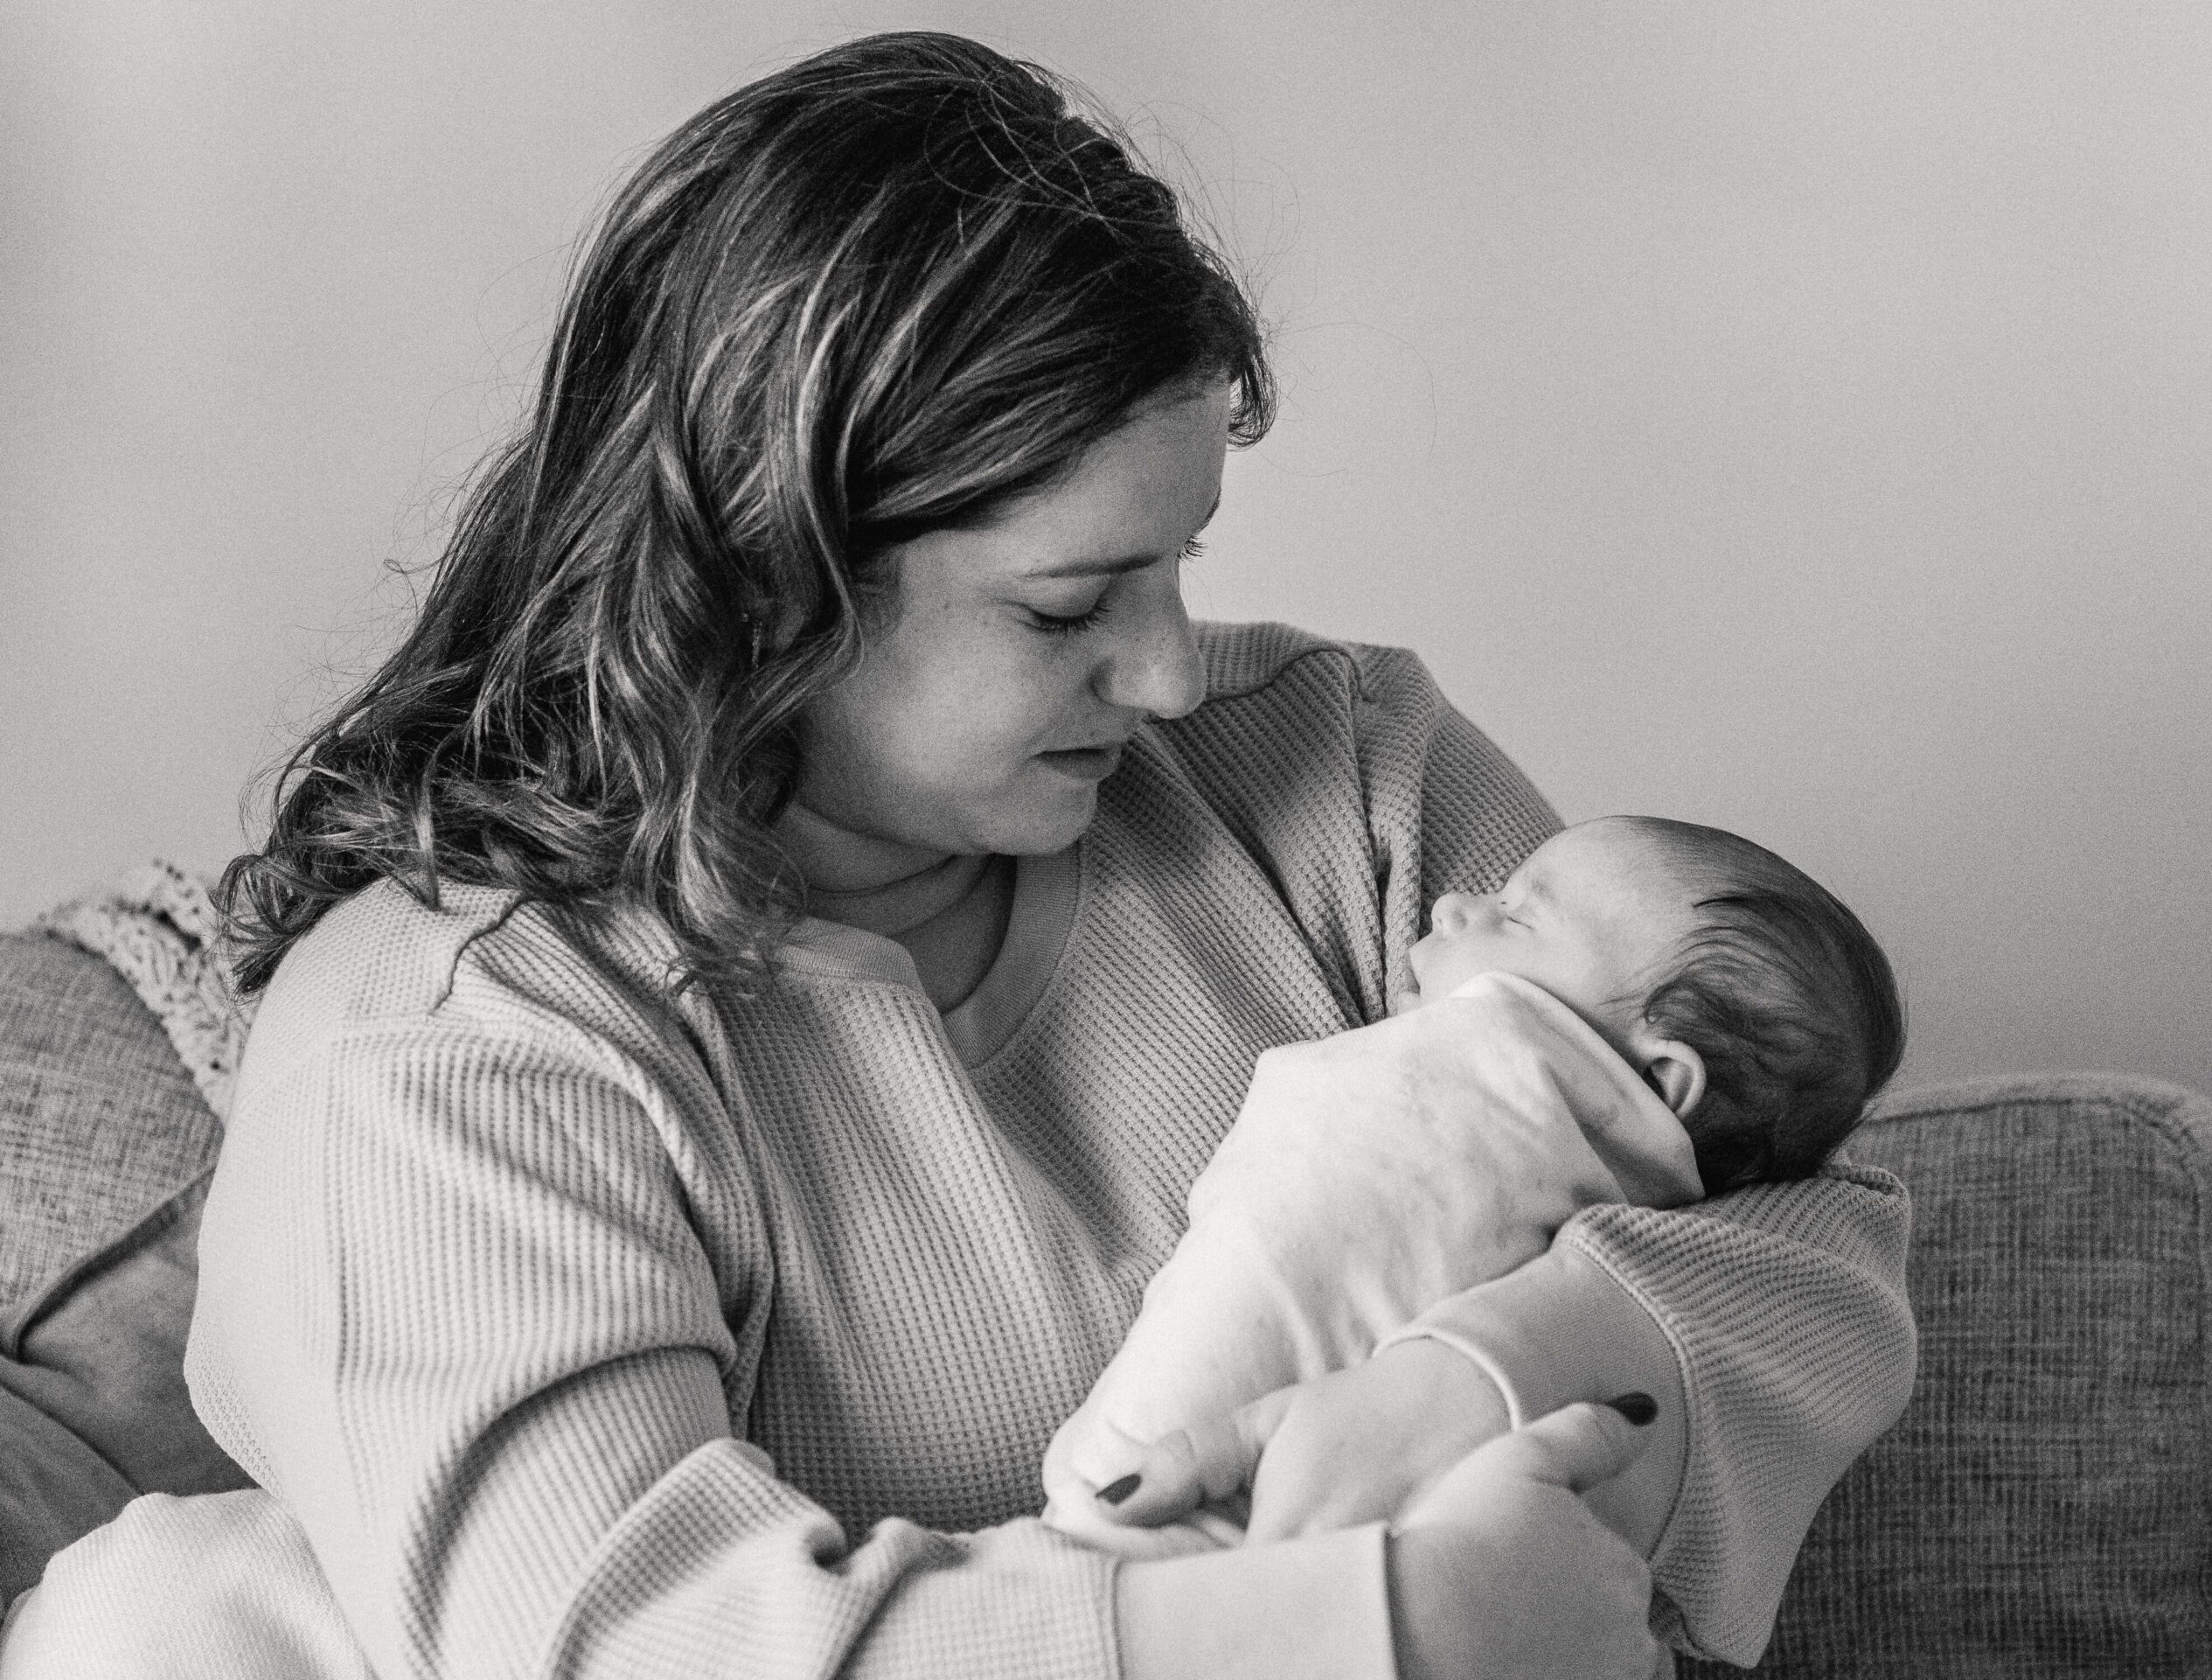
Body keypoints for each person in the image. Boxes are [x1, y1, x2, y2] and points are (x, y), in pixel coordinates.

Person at [0, 31, 1914, 1680]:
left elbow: (1813, 1242)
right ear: (767, 582)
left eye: (1183, 562)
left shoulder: (1333, 774)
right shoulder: (451, 1041)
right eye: (1067, 602)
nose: (1166, 671)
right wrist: (1375, 1628)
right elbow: (625, 1646)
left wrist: (1486, 1378)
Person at [1040, 814, 1904, 1558]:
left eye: (1516, 915)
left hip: (1215, 1523)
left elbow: (1834, 1273)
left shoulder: (1528, 1102)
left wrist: (1481, 1381)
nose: (1453, 902)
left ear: (1661, 1078)